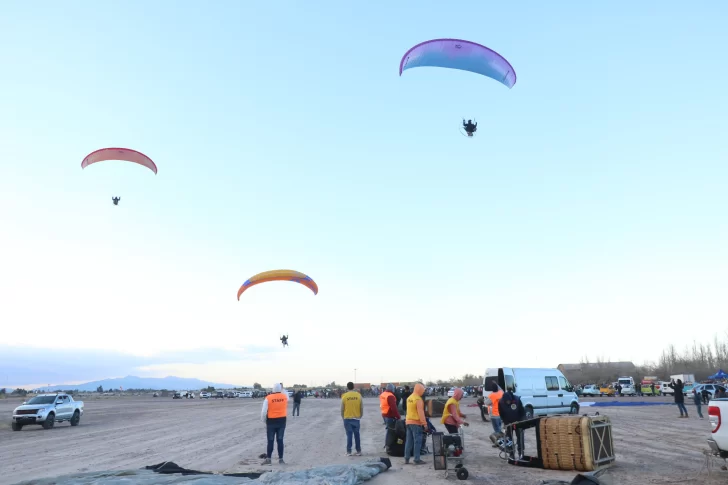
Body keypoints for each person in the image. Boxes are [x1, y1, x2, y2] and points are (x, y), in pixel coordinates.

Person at [260, 382, 288, 465]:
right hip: (282, 421)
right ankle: (281, 459)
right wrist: (282, 388)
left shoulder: (268, 398)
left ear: (273, 389)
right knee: (280, 440)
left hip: (271, 422)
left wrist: (264, 420)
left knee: (270, 440)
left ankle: (268, 459)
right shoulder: (284, 397)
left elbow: (264, 411)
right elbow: (286, 394)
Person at [404, 383, 427, 465]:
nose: (423, 392)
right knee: (417, 441)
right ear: (420, 390)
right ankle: (416, 459)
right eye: (423, 390)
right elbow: (421, 413)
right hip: (416, 423)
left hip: (408, 422)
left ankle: (406, 458)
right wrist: (425, 424)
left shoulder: (409, 398)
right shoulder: (418, 399)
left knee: (409, 441)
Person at [499, 390, 526, 459]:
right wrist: (506, 422)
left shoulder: (517, 400)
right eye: (506, 402)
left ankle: (521, 453)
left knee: (520, 438)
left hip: (518, 422)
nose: (508, 402)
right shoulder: (501, 402)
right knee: (509, 439)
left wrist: (522, 422)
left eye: (509, 401)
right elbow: (501, 414)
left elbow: (523, 412)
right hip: (508, 424)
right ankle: (511, 453)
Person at [341, 382, 363, 456]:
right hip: (356, 418)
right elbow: (361, 407)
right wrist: (360, 416)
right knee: (357, 435)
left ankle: (349, 451)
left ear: (347, 387)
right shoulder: (358, 395)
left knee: (349, 435)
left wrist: (343, 417)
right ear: (353, 387)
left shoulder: (344, 396)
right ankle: (358, 451)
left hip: (347, 418)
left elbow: (342, 409)